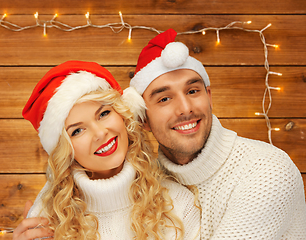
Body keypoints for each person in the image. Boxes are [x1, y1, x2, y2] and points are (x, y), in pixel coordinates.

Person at [129, 28, 306, 239]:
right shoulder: (148, 184)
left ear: (209, 97)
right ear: (143, 119)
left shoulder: (267, 170)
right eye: (164, 99)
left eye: (192, 91)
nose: (185, 108)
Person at [14, 60, 200, 240]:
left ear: (123, 116)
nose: (100, 133)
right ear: (65, 150)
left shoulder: (178, 204)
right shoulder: (47, 219)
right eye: (77, 131)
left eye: (103, 114)